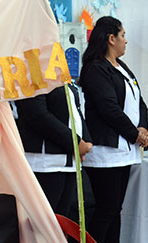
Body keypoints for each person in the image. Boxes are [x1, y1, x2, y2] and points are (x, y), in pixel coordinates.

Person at [80, 16, 148, 243]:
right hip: (107, 151)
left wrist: (143, 127)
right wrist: (135, 134)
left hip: (126, 150)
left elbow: (139, 100)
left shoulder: (121, 67)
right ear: (111, 38)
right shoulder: (96, 70)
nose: (126, 40)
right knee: (106, 210)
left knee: (115, 209)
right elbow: (109, 109)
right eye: (123, 35)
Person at [15, 85, 92, 220]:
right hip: (46, 162)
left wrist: (86, 141)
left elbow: (75, 110)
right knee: (42, 224)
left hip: (70, 162)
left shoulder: (60, 72)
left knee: (61, 223)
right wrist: (75, 142)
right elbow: (36, 114)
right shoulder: (34, 70)